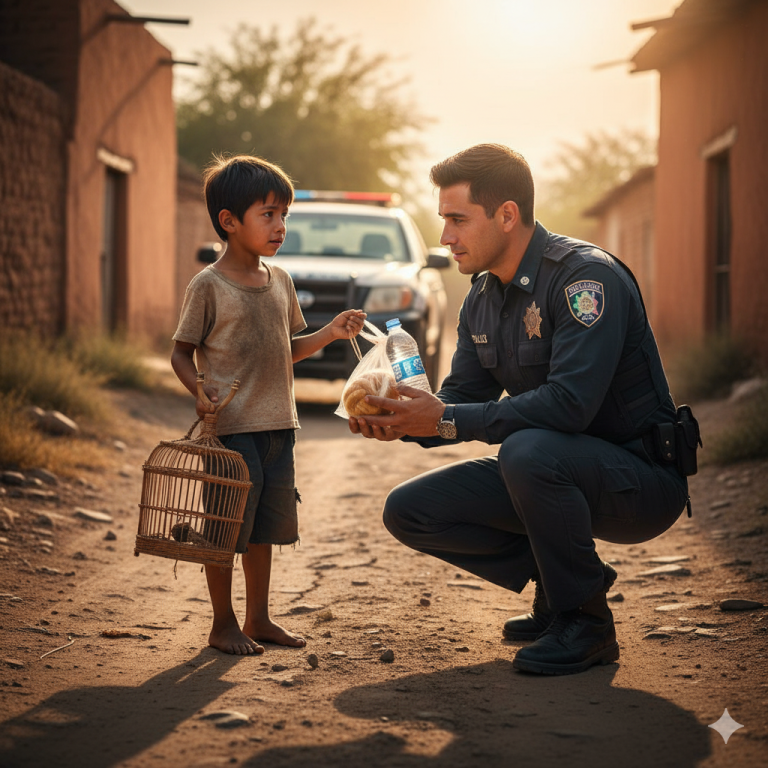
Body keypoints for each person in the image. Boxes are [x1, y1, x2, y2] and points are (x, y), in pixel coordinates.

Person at [349, 143, 694, 675]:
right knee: (409, 510)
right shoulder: (481, 298)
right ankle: (562, 584)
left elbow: (569, 406)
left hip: (640, 480)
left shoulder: (584, 281)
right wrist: (399, 416)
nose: (445, 237)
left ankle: (587, 622)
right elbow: (460, 400)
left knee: (528, 449)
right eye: (444, 220)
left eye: (457, 220)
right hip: (557, 472)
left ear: (507, 215)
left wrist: (444, 417)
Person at [172, 154, 366, 655]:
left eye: (284, 215)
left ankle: (258, 618)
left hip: (280, 423)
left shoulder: (279, 281)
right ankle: (222, 623)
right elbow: (180, 350)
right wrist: (199, 389)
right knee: (225, 528)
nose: (280, 226)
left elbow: (289, 347)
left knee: (263, 529)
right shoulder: (208, 285)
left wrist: (331, 331)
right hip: (232, 429)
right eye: (268, 214)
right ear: (229, 222)